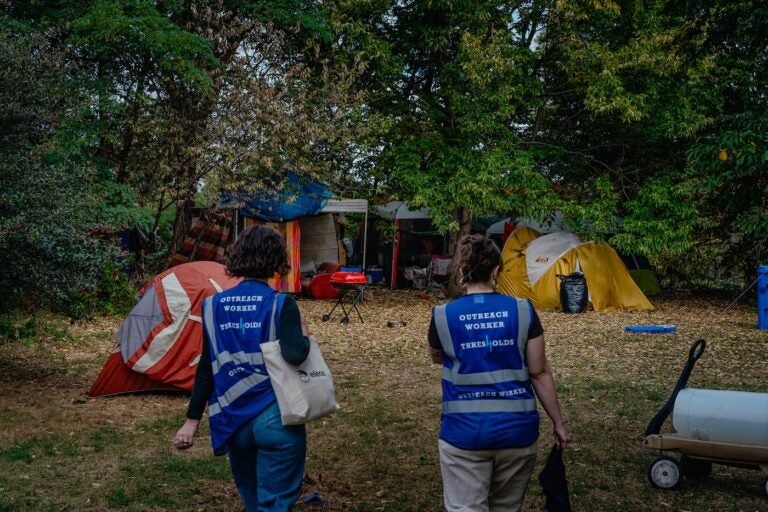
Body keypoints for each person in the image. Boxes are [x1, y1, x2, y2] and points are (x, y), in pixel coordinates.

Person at [427, 234, 570, 512]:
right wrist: (559, 423)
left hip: (464, 434)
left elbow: (437, 356)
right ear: (496, 270)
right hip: (517, 433)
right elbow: (539, 373)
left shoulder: (443, 316)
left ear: (459, 271)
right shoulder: (523, 310)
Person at [173, 225, 311, 512]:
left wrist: (191, 420)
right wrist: (305, 336)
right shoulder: (281, 303)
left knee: (253, 502)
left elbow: (206, 369)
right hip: (276, 415)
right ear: (276, 260)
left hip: (232, 418)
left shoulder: (212, 305)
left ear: (238, 257)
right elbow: (295, 355)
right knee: (274, 503)